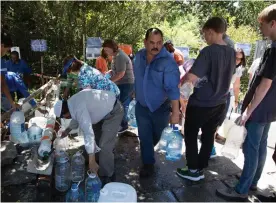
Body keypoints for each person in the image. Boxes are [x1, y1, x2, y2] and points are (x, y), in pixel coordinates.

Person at [217, 4, 276, 201]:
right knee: (260, 146)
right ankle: (252, 181)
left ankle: (241, 190)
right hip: (269, 109)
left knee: (251, 148)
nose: (260, 28)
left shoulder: (274, 51)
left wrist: (248, 111)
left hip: (259, 109)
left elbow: (265, 84)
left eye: (262, 24)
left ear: (273, 24)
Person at [176, 17, 236, 181]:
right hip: (220, 102)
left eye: (204, 34)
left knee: (190, 134)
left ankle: (193, 170)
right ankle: (201, 166)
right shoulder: (231, 51)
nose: (205, 38)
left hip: (202, 102)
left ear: (210, 31)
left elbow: (191, 78)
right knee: (209, 135)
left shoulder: (208, 51)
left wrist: (181, 94)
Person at [133, 28, 180, 177]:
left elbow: (173, 89)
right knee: (144, 136)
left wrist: (175, 112)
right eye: (152, 42)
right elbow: (138, 77)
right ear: (145, 42)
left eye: (159, 43)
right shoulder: (138, 56)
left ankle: (148, 150)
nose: (156, 46)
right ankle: (148, 164)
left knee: (158, 136)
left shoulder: (168, 62)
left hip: (160, 108)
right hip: (141, 106)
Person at [53, 89, 123, 185]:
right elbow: (76, 117)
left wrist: (91, 159)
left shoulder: (77, 107)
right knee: (96, 140)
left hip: (113, 112)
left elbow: (88, 132)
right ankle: (99, 160)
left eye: (64, 117)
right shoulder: (71, 103)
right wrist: (67, 130)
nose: (66, 118)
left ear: (65, 113)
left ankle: (107, 175)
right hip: (104, 111)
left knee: (104, 145)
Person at [103, 39, 134, 133]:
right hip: (121, 83)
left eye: (107, 50)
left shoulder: (120, 56)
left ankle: (123, 125)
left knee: (121, 105)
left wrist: (109, 82)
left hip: (126, 83)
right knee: (119, 104)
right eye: (105, 50)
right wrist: (109, 73)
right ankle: (121, 124)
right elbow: (115, 70)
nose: (106, 52)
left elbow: (121, 74)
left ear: (113, 48)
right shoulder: (115, 56)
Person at [1, 33, 19, 110]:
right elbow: (3, 85)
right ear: (1, 45)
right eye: (7, 50)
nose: (7, 52)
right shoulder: (1, 62)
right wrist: (12, 103)